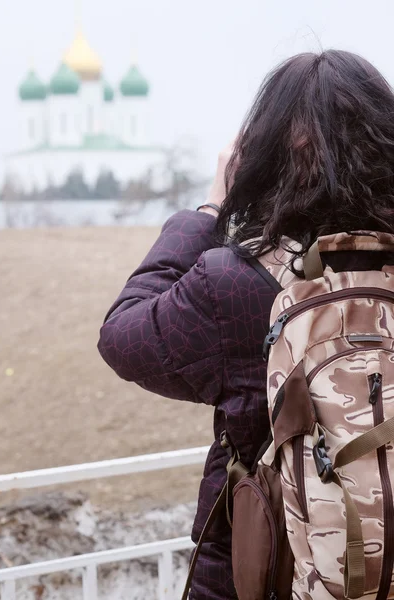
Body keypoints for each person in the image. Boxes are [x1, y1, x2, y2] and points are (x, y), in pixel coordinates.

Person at [97, 50, 394, 599]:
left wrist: (211, 209)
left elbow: (123, 336)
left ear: (261, 156)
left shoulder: (234, 282)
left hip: (260, 573)